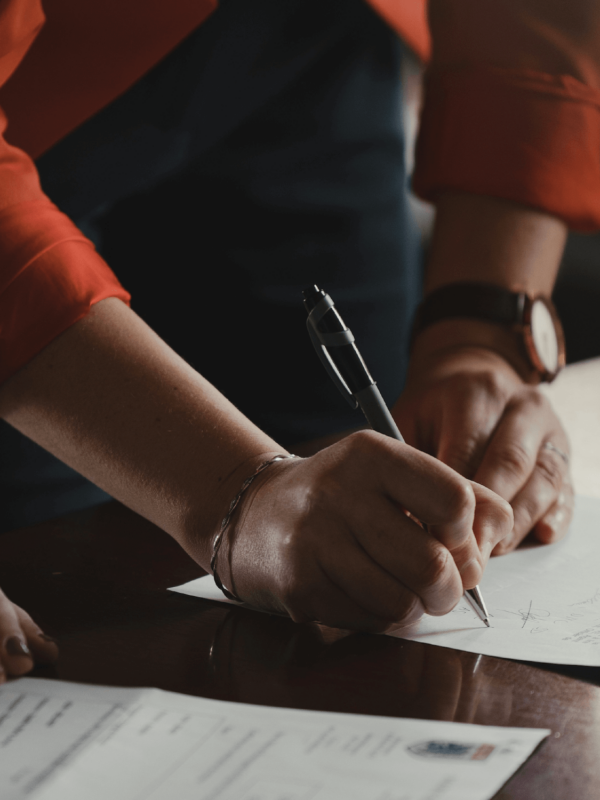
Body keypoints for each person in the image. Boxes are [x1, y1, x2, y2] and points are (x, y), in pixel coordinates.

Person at [0, 0, 594, 680]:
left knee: (356, 543)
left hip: (320, 40)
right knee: (61, 587)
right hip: (26, 92)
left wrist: (480, 329)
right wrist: (232, 494)